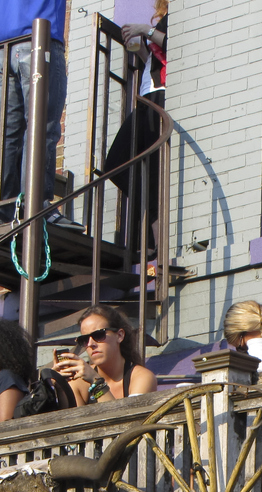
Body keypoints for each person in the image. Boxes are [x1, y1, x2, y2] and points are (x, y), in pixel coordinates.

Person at [0, 0, 81, 229]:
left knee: (7, 131)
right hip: (38, 40)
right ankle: (37, 205)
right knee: (42, 125)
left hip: (1, 48)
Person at [104, 2, 168, 258]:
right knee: (115, 164)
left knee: (152, 171)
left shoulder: (180, 17)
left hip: (160, 97)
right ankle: (151, 226)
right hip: (146, 97)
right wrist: (142, 49)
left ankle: (156, 242)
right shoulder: (164, 18)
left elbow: (174, 46)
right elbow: (153, 60)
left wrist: (145, 29)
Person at [53, 306, 157, 404]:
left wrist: (96, 384)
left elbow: (130, 421)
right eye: (84, 339)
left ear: (120, 335)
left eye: (98, 335)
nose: (90, 344)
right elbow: (71, 420)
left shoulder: (142, 377)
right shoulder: (80, 382)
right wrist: (60, 388)